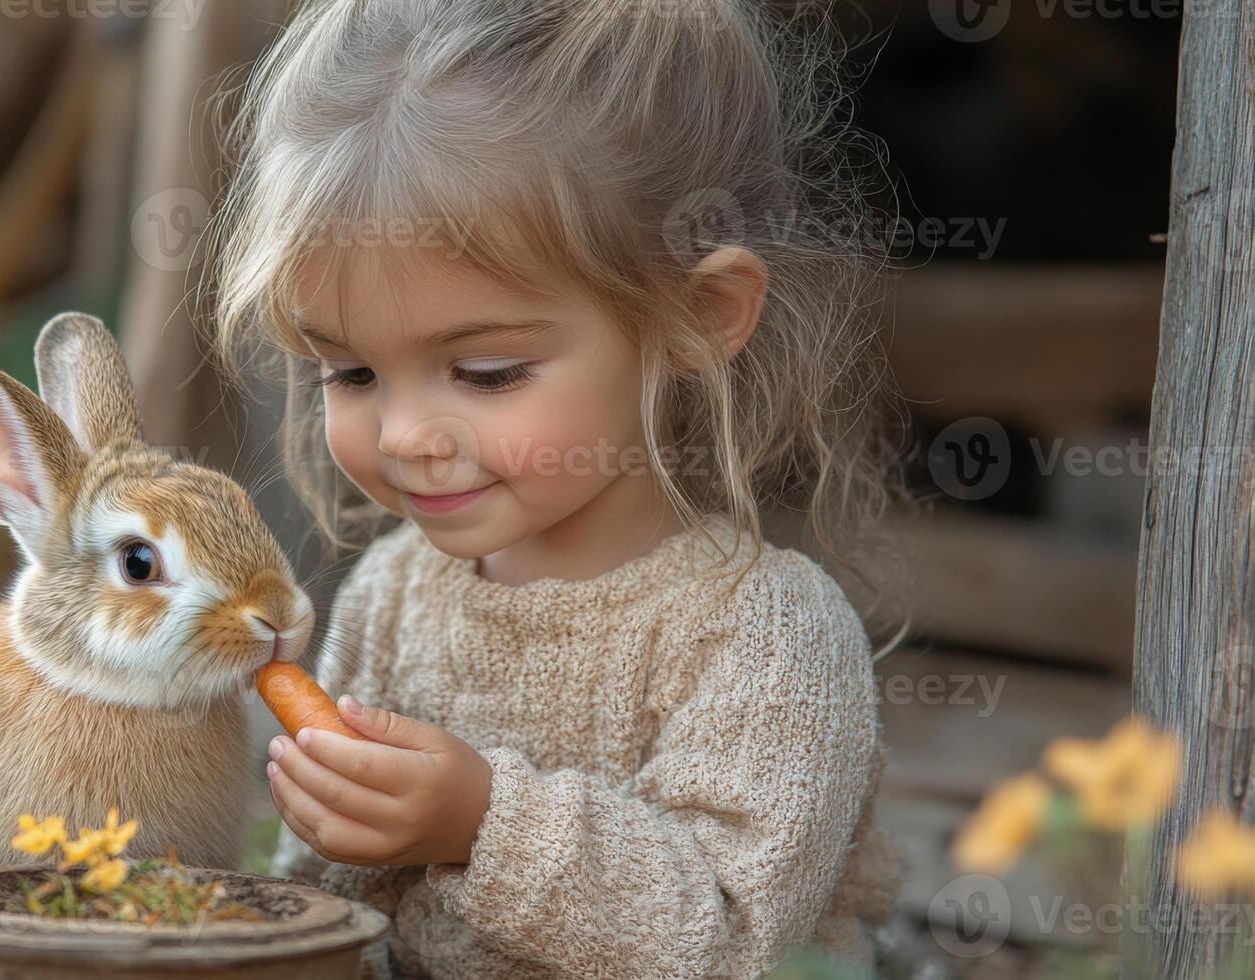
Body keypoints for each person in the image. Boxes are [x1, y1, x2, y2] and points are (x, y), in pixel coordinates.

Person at [206, 1, 910, 975]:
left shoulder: (763, 637)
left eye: (487, 372)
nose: (406, 435)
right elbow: (340, 909)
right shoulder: (391, 596)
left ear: (697, 316)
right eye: (351, 372)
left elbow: (734, 938)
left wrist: (481, 820)